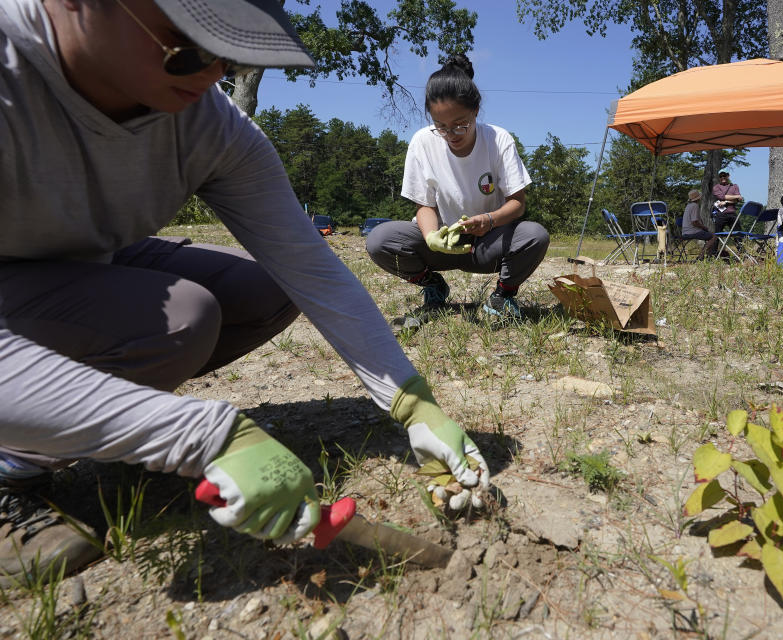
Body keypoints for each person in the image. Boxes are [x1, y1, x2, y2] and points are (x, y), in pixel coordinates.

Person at [0, 0, 489, 586]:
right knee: (182, 319)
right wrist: (192, 433)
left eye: (232, 51)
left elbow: (309, 266)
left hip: (77, 265)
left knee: (263, 287)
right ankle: (13, 470)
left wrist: (410, 401)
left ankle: (85, 420)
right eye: (188, 41)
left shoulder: (208, 124)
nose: (213, 73)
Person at [365, 55, 550, 320]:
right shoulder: (421, 142)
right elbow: (424, 205)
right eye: (441, 127)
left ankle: (502, 296)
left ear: (476, 111)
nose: (452, 134)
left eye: (461, 124)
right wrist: (431, 238)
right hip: (442, 244)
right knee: (380, 240)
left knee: (534, 236)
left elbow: (518, 202)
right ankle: (433, 285)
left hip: (488, 243)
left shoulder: (498, 140)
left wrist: (489, 219)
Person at [681, 190, 719, 259]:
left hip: (685, 232)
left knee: (708, 235)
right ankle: (701, 255)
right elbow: (694, 222)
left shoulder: (688, 206)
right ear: (698, 198)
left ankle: (709, 256)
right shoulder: (695, 206)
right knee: (714, 237)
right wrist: (704, 227)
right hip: (692, 232)